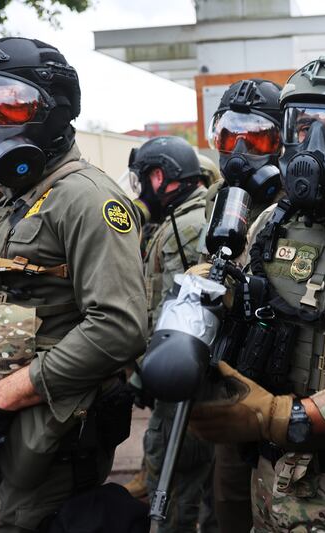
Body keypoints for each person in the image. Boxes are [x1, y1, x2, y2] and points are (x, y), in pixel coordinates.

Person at [0, 36, 147, 532]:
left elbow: (119, 327)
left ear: (53, 111)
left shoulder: (86, 199)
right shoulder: (10, 199)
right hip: (12, 431)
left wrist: (2, 399)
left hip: (53, 432)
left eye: (6, 103)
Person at [190, 55, 325, 532]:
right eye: (303, 126)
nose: (314, 146)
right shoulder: (273, 222)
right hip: (269, 479)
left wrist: (287, 416)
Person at [124, 135, 218, 533]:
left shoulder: (188, 224)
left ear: (160, 176)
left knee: (176, 479)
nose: (143, 188)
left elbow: (176, 310)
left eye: (145, 178)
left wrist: (144, 370)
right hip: (180, 373)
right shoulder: (185, 219)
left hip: (183, 382)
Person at [203, 78, 284, 533]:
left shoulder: (303, 206)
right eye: (229, 135)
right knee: (229, 507)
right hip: (232, 387)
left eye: (256, 137)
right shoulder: (222, 205)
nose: (239, 150)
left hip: (285, 395)